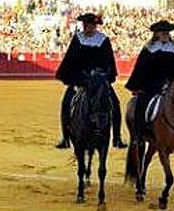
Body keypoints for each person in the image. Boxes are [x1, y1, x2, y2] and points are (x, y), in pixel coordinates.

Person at [54, 12, 125, 149]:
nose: (88, 27)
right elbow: (70, 59)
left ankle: (117, 137)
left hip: (98, 78)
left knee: (114, 104)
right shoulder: (78, 38)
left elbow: (108, 61)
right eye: (86, 25)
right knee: (66, 102)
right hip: (80, 78)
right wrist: (74, 75)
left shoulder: (103, 40)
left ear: (95, 26)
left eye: (91, 25)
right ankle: (65, 138)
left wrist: (103, 76)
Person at [125, 19, 174, 136]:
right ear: (156, 34)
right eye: (162, 32)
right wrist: (136, 86)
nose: (165, 34)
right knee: (141, 104)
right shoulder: (148, 49)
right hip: (151, 86)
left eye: (167, 32)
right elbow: (140, 68)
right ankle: (139, 136)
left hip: (172, 86)